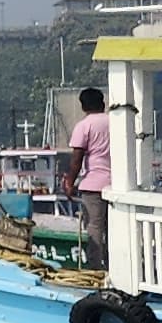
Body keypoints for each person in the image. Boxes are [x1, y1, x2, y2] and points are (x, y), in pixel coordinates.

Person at [65, 86, 115, 272]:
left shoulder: (84, 126)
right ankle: (115, 267)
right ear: (103, 103)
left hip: (93, 184)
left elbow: (76, 159)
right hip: (116, 184)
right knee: (113, 229)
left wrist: (70, 182)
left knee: (94, 227)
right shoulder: (115, 122)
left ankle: (95, 268)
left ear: (83, 106)